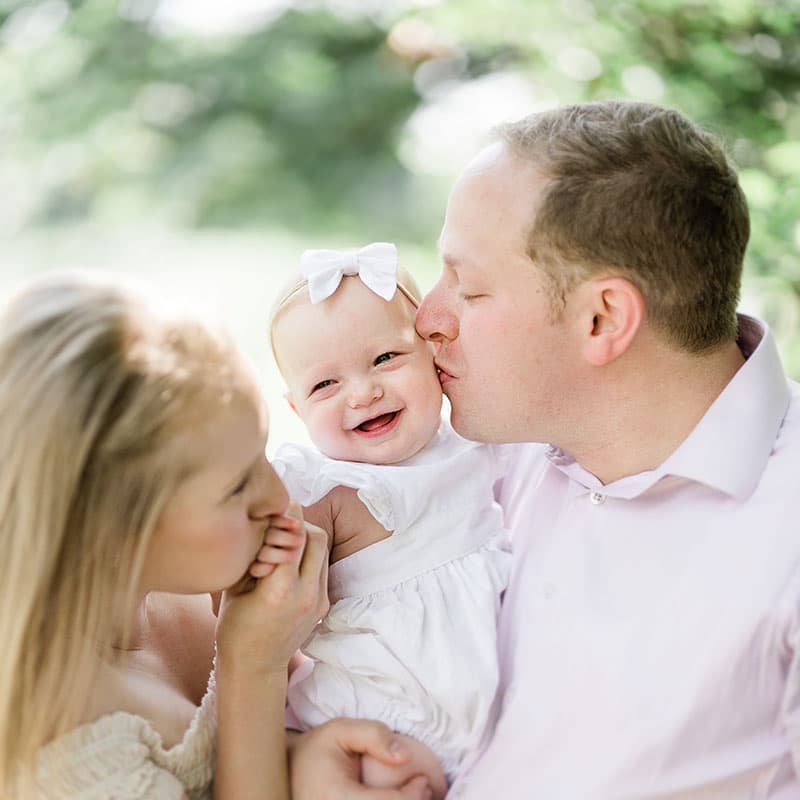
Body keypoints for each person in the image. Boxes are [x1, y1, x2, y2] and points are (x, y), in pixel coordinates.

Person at [290, 100, 800, 799]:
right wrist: (309, 755)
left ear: (603, 318)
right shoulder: (460, 455)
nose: (426, 321)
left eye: (466, 288)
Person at [0, 271, 335, 799]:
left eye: (263, 453)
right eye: (236, 486)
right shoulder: (62, 746)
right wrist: (252, 667)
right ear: (107, 528)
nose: (278, 497)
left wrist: (316, 756)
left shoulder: (196, 589)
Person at [269, 243, 511, 799]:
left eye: (385, 359)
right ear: (296, 411)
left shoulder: (477, 444)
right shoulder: (327, 492)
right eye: (324, 385)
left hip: (492, 716)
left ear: (433, 356)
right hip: (383, 721)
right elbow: (250, 585)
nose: (363, 392)